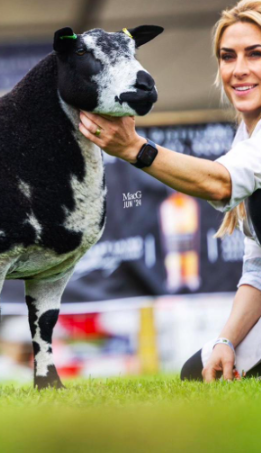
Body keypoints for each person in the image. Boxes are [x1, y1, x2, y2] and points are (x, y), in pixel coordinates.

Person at [77, 0, 261, 382]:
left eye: (256, 55)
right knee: (199, 374)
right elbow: (257, 270)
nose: (239, 69)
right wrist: (226, 340)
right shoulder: (245, 137)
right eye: (228, 57)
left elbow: (220, 182)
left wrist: (134, 149)